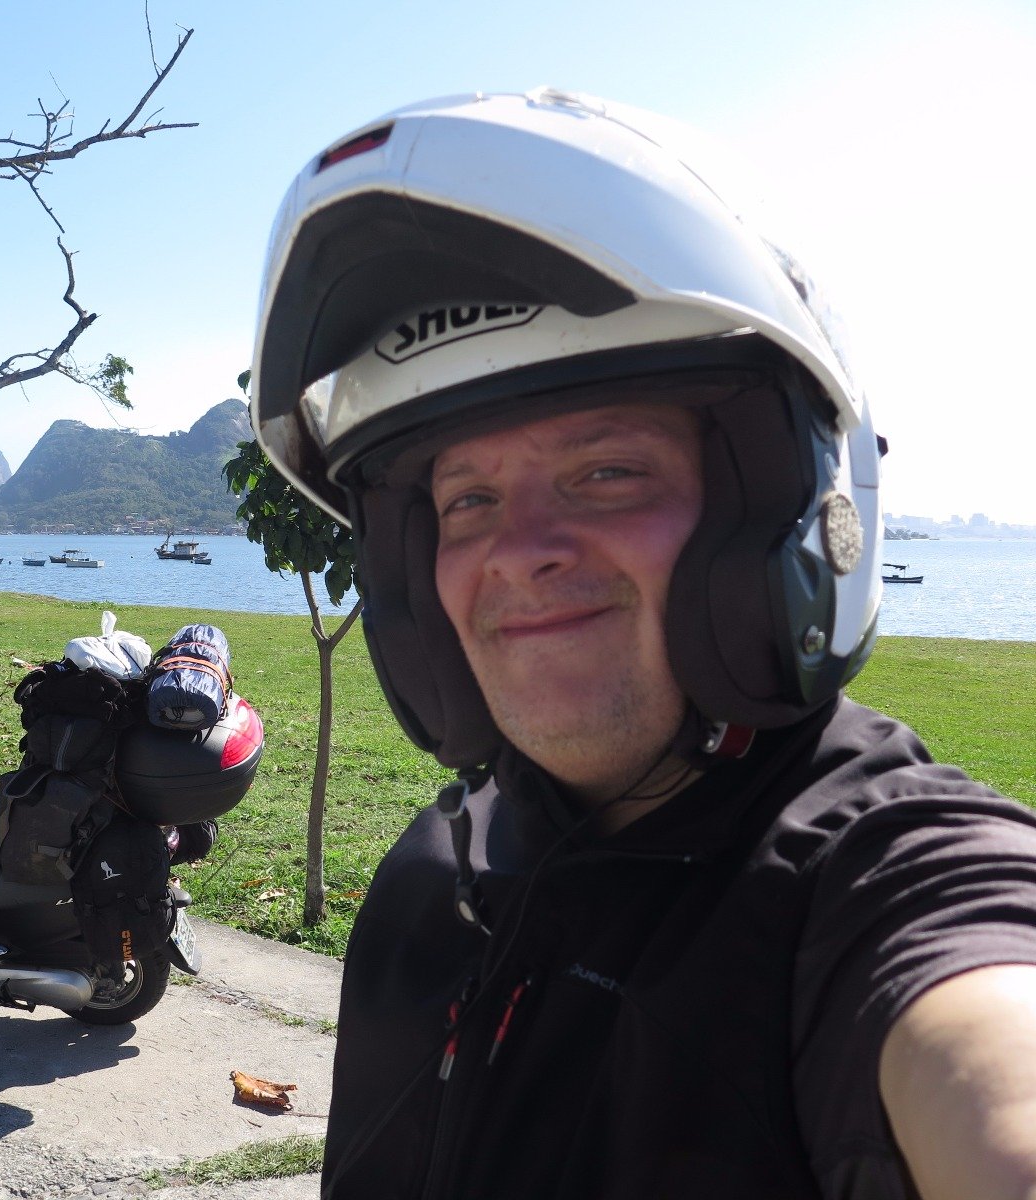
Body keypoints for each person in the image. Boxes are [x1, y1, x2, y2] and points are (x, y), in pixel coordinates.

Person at [246, 88, 1036, 1199]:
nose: (519, 552)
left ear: (781, 507)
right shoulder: (435, 877)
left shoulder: (878, 876)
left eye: (607, 472)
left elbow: (985, 1047)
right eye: (468, 500)